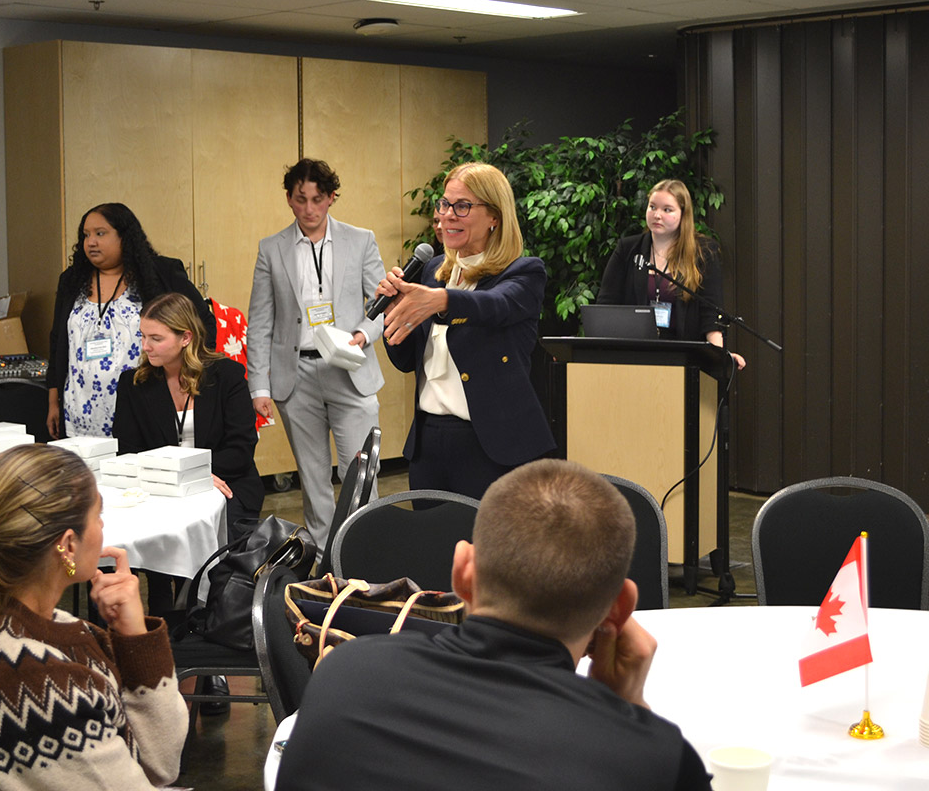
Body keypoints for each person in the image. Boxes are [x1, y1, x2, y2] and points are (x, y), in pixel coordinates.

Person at [275, 459, 712, 790]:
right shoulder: (653, 761)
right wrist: (629, 712)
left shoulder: (345, 674)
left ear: (463, 571)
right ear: (620, 609)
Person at [0, 444, 187, 791]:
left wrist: (134, 636)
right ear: (68, 545)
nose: (103, 526)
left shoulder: (24, 628)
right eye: (98, 515)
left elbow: (158, 766)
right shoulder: (31, 681)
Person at [377, 161, 554, 500]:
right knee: (433, 550)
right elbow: (405, 360)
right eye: (444, 204)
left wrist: (441, 300)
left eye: (463, 206)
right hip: (429, 446)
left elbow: (494, 306)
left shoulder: (524, 273)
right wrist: (393, 314)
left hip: (490, 448)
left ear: (494, 217)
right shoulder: (433, 272)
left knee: (489, 553)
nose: (448, 215)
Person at [248, 158, 385, 554]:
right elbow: (260, 321)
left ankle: (369, 555)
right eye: (300, 199)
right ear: (289, 199)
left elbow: (382, 301)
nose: (309, 209)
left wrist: (363, 333)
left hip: (349, 366)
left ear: (331, 198)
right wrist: (259, 384)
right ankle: (328, 566)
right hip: (297, 375)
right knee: (313, 479)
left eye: (318, 199)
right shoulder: (271, 249)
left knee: (362, 474)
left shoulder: (360, 240)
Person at [113, 292, 264, 614]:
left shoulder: (227, 377)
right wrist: (182, 475)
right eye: (143, 336)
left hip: (227, 481)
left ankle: (204, 620)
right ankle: (161, 616)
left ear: (186, 338)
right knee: (153, 534)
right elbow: (128, 451)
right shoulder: (134, 384)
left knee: (210, 551)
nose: (145, 346)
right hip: (161, 487)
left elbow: (241, 450)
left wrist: (194, 476)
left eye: (156, 338)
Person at [46, 202, 216, 439]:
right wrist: (53, 401)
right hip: (80, 411)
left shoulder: (160, 273)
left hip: (145, 404)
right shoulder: (72, 280)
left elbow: (203, 325)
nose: (91, 242)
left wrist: (183, 378)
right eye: (86, 235)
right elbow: (58, 343)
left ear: (124, 237)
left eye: (100, 233)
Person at [596, 178, 746, 370]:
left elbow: (711, 315)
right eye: (652, 207)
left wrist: (718, 355)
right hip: (633, 356)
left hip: (684, 357)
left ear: (683, 215)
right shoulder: (628, 250)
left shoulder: (703, 252)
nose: (657, 215)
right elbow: (606, 307)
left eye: (667, 210)